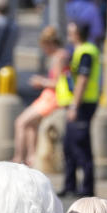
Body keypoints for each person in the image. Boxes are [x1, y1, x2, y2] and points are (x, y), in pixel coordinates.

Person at [12, 26, 69, 166]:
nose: (44, 51)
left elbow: (58, 83)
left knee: (21, 122)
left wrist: (41, 82)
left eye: (44, 47)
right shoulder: (60, 55)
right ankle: (31, 157)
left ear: (50, 44)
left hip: (53, 97)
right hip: (49, 96)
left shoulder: (59, 57)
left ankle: (19, 157)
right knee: (31, 124)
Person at [60, 21, 101, 199]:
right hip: (76, 104)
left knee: (81, 147)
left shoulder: (86, 52)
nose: (68, 34)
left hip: (83, 104)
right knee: (69, 146)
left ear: (78, 34)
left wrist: (74, 106)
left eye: (71, 31)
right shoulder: (77, 51)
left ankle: (87, 188)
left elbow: (83, 81)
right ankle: (70, 185)